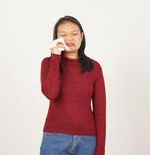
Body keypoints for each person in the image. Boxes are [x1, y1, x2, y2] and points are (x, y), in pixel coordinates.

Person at [40, 15, 106, 155]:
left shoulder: (94, 68)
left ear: (82, 36)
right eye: (63, 34)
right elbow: (51, 93)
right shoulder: (48, 63)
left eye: (74, 34)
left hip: (87, 142)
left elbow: (100, 112)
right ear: (56, 38)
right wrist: (55, 56)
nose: (69, 38)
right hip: (55, 140)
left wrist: (100, 149)